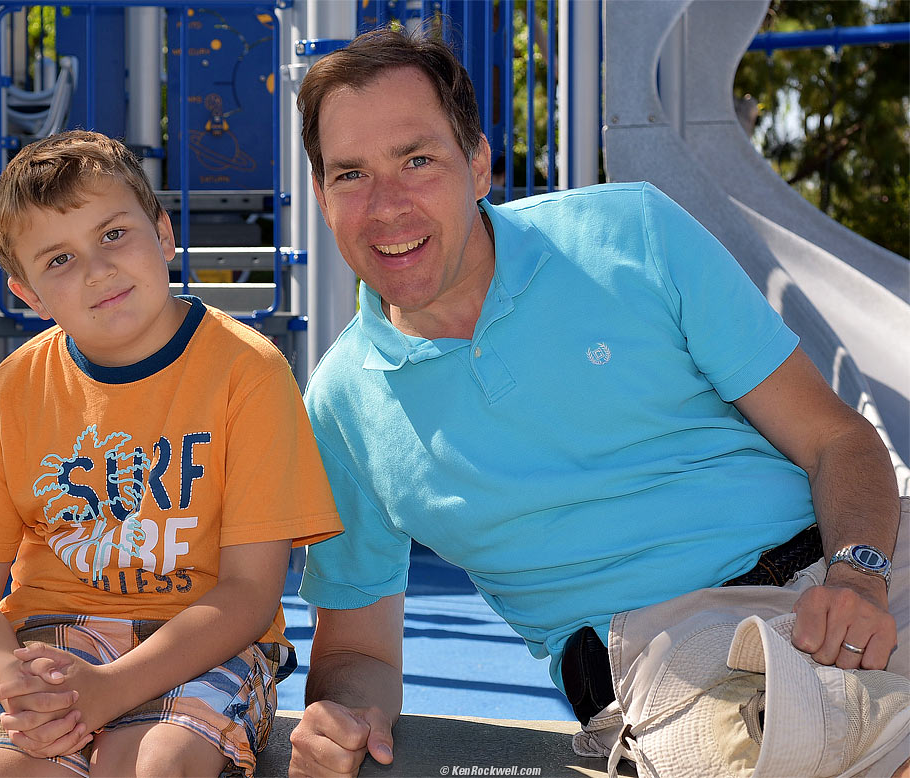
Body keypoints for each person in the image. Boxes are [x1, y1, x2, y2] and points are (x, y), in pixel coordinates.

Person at [285, 27, 907, 778]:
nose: (387, 205)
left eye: (417, 160)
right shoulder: (342, 407)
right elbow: (355, 651)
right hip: (672, 654)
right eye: (351, 175)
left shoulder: (631, 232)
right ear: (321, 198)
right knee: (794, 748)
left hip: (853, 564)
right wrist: (340, 712)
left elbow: (838, 442)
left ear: (477, 164)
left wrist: (856, 575)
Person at [0, 130, 343, 778]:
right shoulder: (13, 392)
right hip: (51, 639)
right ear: (28, 295)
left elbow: (249, 595)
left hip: (204, 640)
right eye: (59, 261)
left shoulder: (248, 373)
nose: (97, 269)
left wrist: (111, 691)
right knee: (4, 771)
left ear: (163, 232)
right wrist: (13, 679)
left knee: (154, 765)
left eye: (114, 234)